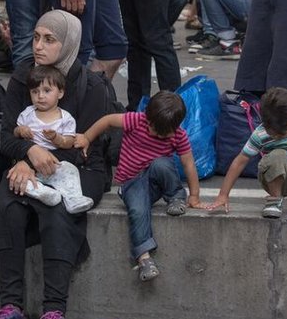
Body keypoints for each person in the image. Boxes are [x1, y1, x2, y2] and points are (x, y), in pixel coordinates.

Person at [0, 10, 110, 319]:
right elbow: (6, 134)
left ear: (68, 43)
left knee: (57, 210)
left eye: (49, 39)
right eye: (35, 37)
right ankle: (10, 305)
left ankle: (54, 309)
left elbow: (84, 148)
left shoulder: (91, 87)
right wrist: (25, 157)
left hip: (80, 169)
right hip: (25, 162)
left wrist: (38, 160)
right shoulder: (23, 77)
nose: (38, 46)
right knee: (8, 206)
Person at [74, 91, 200, 282]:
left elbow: (188, 164)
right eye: (151, 126)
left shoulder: (178, 136)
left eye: (160, 131)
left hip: (155, 183)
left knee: (162, 164)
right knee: (138, 211)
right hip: (131, 183)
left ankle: (176, 198)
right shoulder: (136, 120)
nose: (153, 132)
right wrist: (86, 137)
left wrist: (194, 195)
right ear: (147, 117)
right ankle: (144, 257)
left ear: (175, 128)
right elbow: (107, 120)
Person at [207, 87, 287, 218]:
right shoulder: (260, 133)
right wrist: (223, 195)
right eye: (273, 131)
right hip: (274, 181)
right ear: (263, 121)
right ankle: (275, 200)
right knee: (278, 154)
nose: (277, 136)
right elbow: (240, 161)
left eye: (282, 132)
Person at [13, 65, 94, 213]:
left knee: (71, 171)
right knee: (20, 180)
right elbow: (15, 132)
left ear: (60, 93)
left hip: (55, 164)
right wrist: (21, 130)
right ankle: (43, 192)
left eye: (47, 91)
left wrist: (56, 138)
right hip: (32, 166)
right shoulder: (27, 114)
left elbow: (69, 142)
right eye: (35, 92)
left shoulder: (65, 118)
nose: (40, 96)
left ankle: (74, 199)